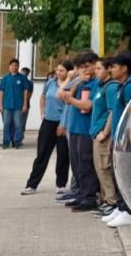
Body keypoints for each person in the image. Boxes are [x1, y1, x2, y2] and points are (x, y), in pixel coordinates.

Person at [99, 51, 131, 228]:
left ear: (124, 68)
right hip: (119, 139)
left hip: (128, 141)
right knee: (119, 175)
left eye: (115, 66)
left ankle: (128, 211)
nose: (111, 70)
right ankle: (121, 206)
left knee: (127, 177)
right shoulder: (121, 86)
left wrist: (126, 139)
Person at [21, 60, 72, 195]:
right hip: (48, 122)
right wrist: (42, 113)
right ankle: (32, 184)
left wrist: (63, 124)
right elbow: (43, 97)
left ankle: (61, 184)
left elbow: (69, 105)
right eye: (57, 70)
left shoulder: (71, 85)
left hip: (63, 123)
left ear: (69, 72)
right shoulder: (50, 83)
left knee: (63, 155)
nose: (58, 73)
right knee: (42, 154)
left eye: (62, 70)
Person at [58, 51, 101, 211]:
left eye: (87, 66)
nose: (84, 70)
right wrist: (74, 80)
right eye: (81, 67)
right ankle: (81, 195)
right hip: (75, 128)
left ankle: (89, 197)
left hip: (85, 130)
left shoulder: (96, 83)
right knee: (76, 165)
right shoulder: (82, 82)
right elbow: (62, 94)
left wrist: (70, 100)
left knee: (85, 165)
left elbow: (87, 105)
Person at [90, 56, 121, 215]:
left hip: (103, 135)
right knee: (100, 169)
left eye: (99, 68)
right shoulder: (102, 87)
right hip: (96, 133)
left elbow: (112, 112)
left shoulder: (111, 88)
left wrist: (105, 132)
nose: (96, 71)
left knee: (104, 168)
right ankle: (104, 200)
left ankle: (111, 201)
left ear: (109, 69)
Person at [0, 58, 28, 149]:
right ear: (9, 67)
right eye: (12, 65)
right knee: (6, 125)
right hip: (7, 106)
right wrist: (0, 105)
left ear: (18, 67)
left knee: (18, 125)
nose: (14, 67)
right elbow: (1, 92)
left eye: (16, 65)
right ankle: (6, 141)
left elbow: (25, 92)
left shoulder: (22, 78)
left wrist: (25, 104)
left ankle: (16, 141)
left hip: (18, 106)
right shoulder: (5, 78)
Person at [20, 66, 34, 141]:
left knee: (22, 122)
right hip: (16, 105)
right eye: (21, 73)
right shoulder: (17, 81)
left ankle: (20, 138)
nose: (22, 75)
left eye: (24, 74)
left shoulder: (30, 83)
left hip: (25, 105)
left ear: (27, 74)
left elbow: (30, 95)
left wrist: (25, 103)